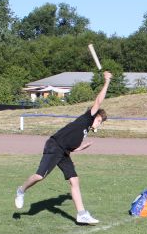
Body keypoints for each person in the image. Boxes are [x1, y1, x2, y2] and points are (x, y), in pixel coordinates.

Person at [14, 71, 113, 224]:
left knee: (74, 180)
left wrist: (81, 148)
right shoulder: (87, 118)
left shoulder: (85, 130)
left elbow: (70, 145)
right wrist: (107, 81)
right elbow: (99, 101)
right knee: (40, 176)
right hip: (54, 146)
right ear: (94, 116)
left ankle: (81, 214)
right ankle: (21, 190)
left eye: (101, 122)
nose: (99, 123)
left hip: (64, 152)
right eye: (99, 120)